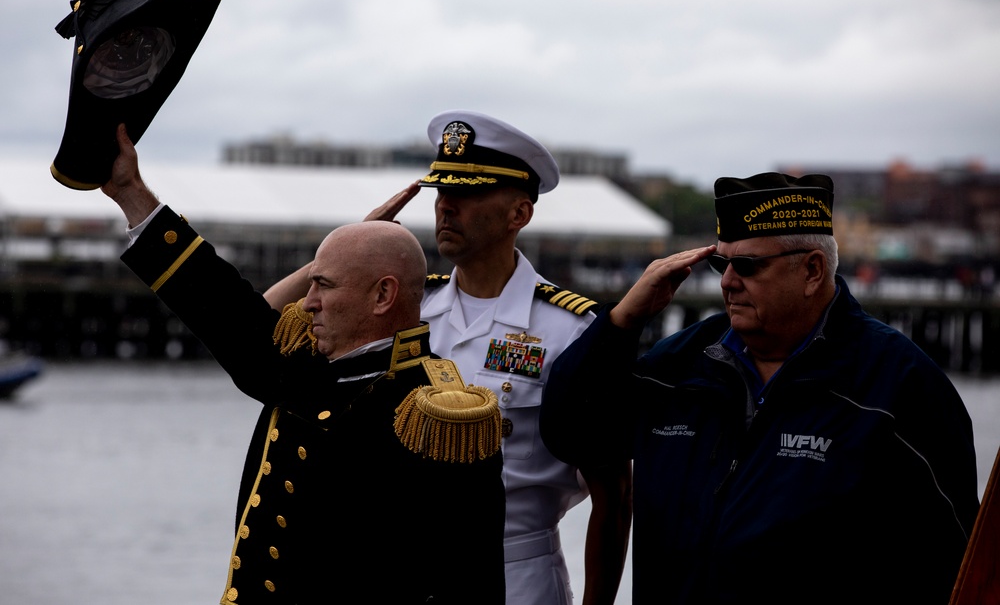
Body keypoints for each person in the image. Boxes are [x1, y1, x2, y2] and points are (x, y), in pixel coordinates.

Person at [99, 124, 506, 604]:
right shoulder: (304, 368)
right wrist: (130, 193)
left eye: (324, 286)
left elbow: (468, 582)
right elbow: (225, 309)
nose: (307, 303)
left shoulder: (435, 413)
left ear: (383, 295)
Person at [540, 172, 980, 604]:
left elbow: (956, 563)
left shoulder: (898, 385)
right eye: (721, 263)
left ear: (812, 270)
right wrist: (620, 324)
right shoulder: (679, 366)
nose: (727, 281)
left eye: (748, 266)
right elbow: (569, 432)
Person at [266, 111, 632, 605]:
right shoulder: (405, 309)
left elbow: (613, 495)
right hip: (395, 570)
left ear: (518, 214)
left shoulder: (569, 330)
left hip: (515, 574)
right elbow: (263, 332)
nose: (446, 208)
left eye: (467, 195)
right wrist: (343, 252)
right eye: (442, 194)